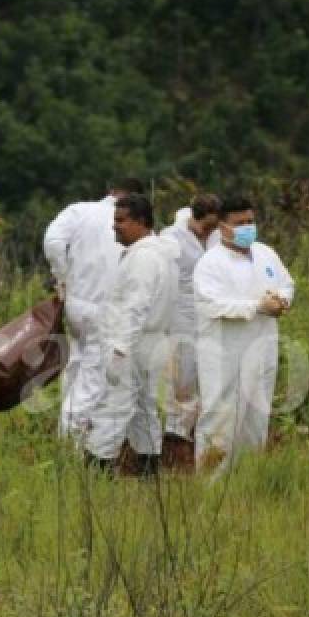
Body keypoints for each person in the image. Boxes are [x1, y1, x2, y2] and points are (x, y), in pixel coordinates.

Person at [193, 195, 294, 474]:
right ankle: (210, 488)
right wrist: (257, 306)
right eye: (240, 223)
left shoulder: (265, 253)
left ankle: (247, 482)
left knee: (256, 418)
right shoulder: (211, 263)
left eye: (251, 221)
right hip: (226, 354)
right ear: (223, 227)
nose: (248, 227)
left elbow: (286, 283)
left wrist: (281, 299)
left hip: (263, 348)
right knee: (221, 420)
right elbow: (213, 304)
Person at [85, 194, 179, 474]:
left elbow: (135, 308)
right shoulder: (160, 255)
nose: (115, 227)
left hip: (132, 345)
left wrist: (119, 350)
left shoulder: (145, 259)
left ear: (141, 222)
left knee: (113, 409)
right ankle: (149, 477)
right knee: (144, 410)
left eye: (121, 221)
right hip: (150, 342)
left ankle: (96, 476)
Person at [43, 178, 140, 438]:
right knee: (93, 377)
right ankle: (73, 438)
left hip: (76, 303)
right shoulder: (130, 221)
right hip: (105, 309)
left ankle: (68, 425)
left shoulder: (80, 211)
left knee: (76, 365)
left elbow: (52, 241)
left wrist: (62, 278)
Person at [160, 194, 222, 451]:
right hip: (180, 314)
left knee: (209, 371)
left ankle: (203, 431)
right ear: (193, 218)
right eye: (206, 226)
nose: (209, 232)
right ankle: (176, 434)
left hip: (210, 312)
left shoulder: (216, 237)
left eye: (214, 227)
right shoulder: (170, 239)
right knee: (181, 375)